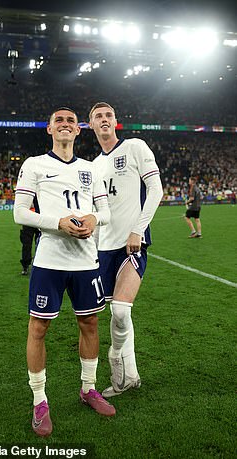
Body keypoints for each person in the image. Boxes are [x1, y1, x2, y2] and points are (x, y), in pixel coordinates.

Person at [13, 107, 115, 438]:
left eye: (71, 121)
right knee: (39, 328)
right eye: (59, 120)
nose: (66, 125)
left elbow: (106, 211)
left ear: (78, 130)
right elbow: (19, 213)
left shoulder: (90, 169)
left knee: (89, 322)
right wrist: (55, 223)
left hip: (86, 262)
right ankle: (40, 400)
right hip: (49, 262)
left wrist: (93, 220)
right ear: (49, 129)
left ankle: (88, 389)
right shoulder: (34, 165)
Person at [89, 102, 163, 398]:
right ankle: (130, 376)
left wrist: (139, 229)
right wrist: (91, 248)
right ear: (90, 125)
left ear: (116, 121)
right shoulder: (92, 166)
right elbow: (95, 209)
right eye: (98, 116)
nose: (104, 119)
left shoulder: (135, 146)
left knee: (120, 309)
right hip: (103, 249)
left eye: (108, 115)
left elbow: (156, 189)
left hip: (132, 243)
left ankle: (115, 359)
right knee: (118, 313)